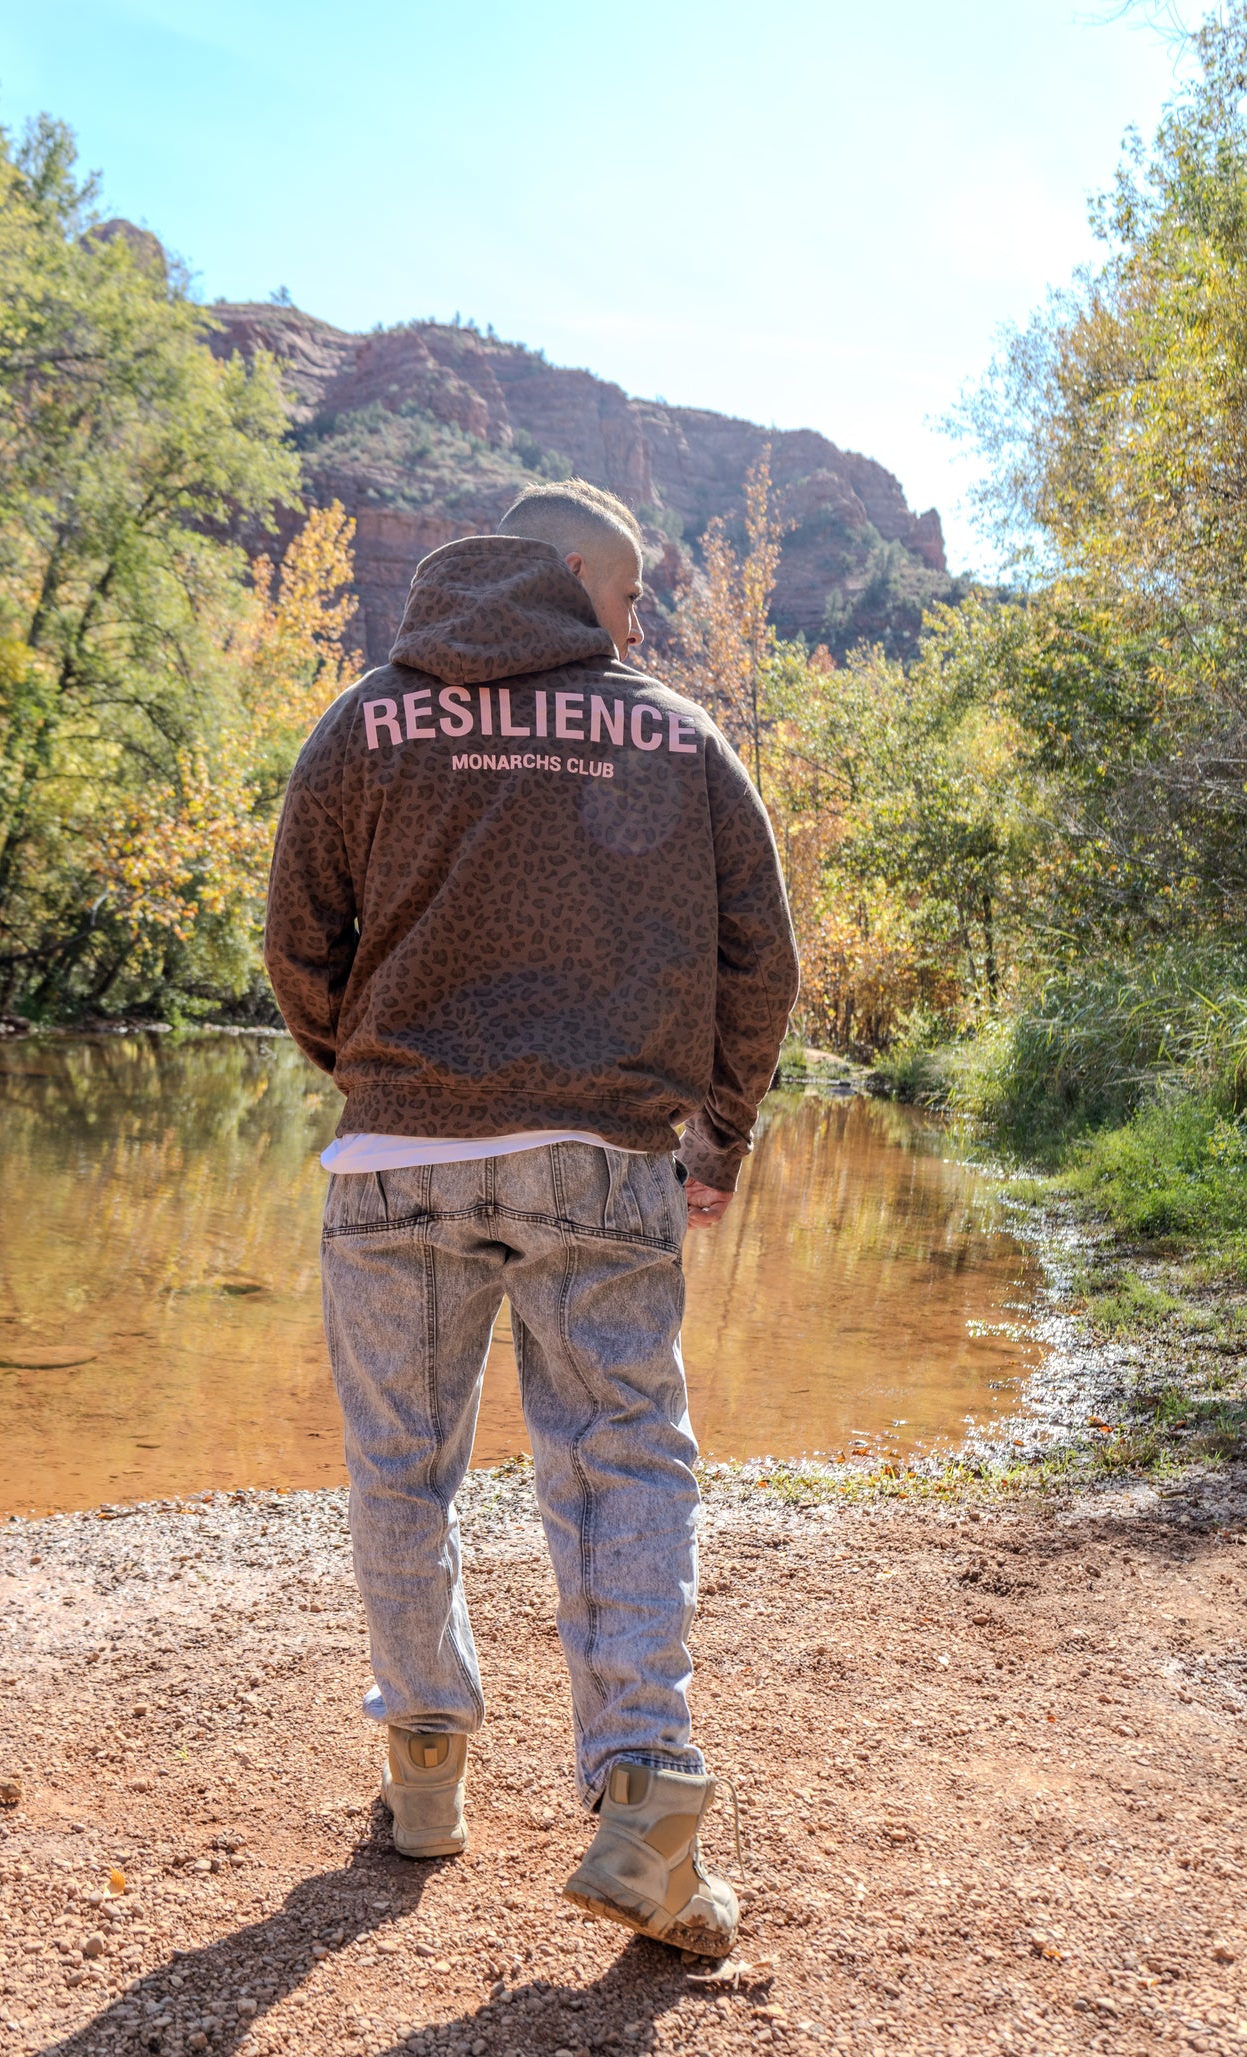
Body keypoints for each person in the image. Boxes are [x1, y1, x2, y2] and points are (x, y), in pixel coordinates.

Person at [264, 480, 797, 1957]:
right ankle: (644, 1794)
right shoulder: (673, 732)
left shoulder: (361, 723)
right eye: (630, 599)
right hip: (600, 1158)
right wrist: (718, 1134)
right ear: (574, 579)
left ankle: (422, 1779)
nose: (637, 627)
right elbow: (761, 959)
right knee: (620, 1459)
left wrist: (379, 1079)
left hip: (392, 1161)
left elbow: (296, 944)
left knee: (400, 1470)